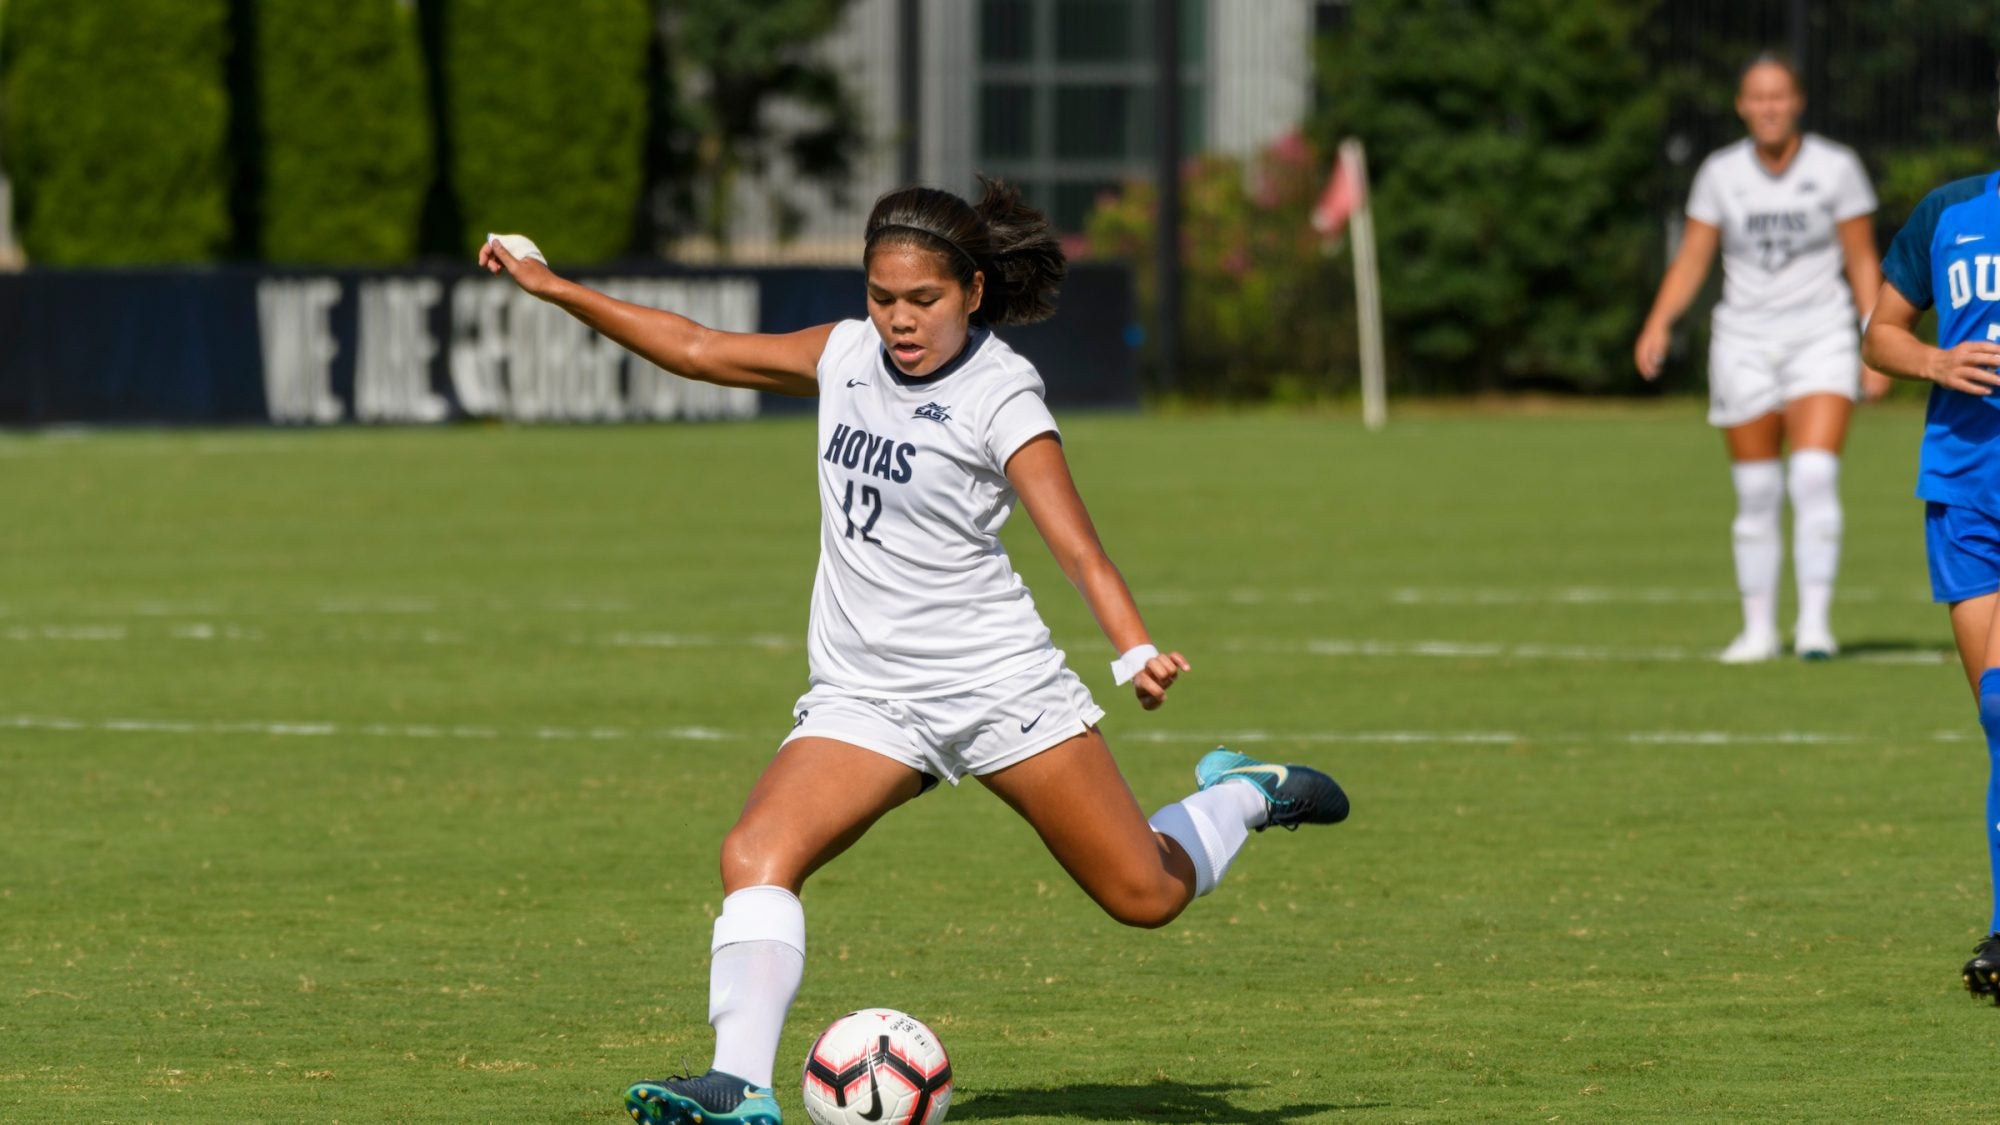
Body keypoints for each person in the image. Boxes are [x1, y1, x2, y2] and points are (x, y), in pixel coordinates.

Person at [477, 179, 1351, 1124]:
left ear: (973, 292)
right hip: (867, 697)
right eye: (882, 296)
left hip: (995, 686)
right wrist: (556, 287)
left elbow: (1078, 548)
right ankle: (738, 1083)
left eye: (923, 300)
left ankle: (1240, 792)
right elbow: (695, 348)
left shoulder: (1000, 392)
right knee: (755, 853)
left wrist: (1133, 648)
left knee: (1143, 894)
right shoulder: (846, 354)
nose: (899, 320)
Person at [1634, 53, 1885, 663]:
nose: (1769, 108)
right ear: (1742, 106)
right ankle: (1758, 631)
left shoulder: (1836, 168)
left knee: (1814, 475)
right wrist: (1660, 320)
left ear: (1797, 101)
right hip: (1743, 341)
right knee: (1757, 489)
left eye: (1779, 96)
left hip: (1821, 335)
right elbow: (1694, 256)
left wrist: (1875, 342)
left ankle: (1816, 628)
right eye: (1756, 97)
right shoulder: (1720, 173)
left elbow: (1860, 258)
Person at [1860, 85, 2000, 1001]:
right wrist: (1935, 362)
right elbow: (1878, 333)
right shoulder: (1949, 212)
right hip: (1966, 487)